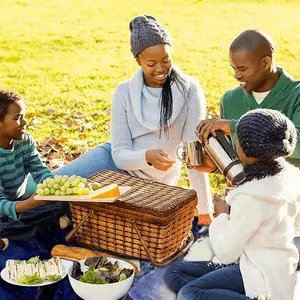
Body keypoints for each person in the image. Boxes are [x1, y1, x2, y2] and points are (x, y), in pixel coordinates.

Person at [53, 15, 212, 225]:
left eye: (166, 59)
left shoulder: (190, 90)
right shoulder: (124, 92)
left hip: (149, 185)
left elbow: (193, 156)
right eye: (151, 63)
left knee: (79, 210)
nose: (160, 68)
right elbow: (119, 155)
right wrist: (146, 156)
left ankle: (67, 216)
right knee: (48, 189)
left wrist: (204, 211)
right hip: (113, 163)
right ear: (138, 60)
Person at [165, 108, 300, 300]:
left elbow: (226, 253)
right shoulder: (290, 177)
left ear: (245, 149)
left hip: (260, 275)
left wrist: (222, 215)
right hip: (271, 265)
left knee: (189, 293)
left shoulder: (251, 197)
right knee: (175, 272)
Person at [195, 29, 300, 170]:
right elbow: (238, 161)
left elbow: (297, 145)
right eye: (234, 68)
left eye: (242, 69)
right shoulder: (230, 100)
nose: (236, 75)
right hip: (249, 189)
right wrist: (215, 166)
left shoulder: (296, 95)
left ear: (266, 63)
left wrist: (235, 127)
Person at [0, 90, 70, 241]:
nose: (25, 122)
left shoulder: (25, 141)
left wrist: (53, 189)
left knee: (63, 203)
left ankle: (21, 231)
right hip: (4, 208)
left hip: (21, 202)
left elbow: (40, 172)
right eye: (17, 118)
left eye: (24, 116)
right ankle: (43, 229)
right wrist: (29, 204)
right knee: (2, 223)